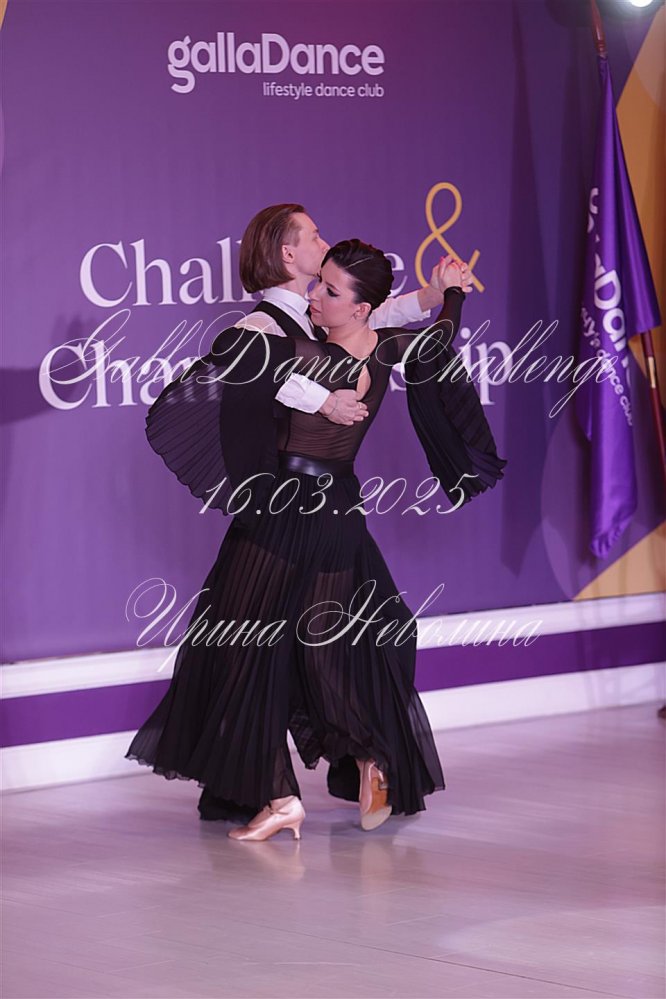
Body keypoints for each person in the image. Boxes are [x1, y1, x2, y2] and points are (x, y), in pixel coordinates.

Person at [125, 238, 506, 840]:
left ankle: (279, 796)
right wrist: (450, 295)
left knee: (240, 649)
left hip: (284, 512)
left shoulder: (309, 352)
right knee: (321, 651)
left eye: (329, 290)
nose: (314, 297)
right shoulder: (385, 347)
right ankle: (371, 756)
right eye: (316, 282)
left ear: (358, 307)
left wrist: (316, 390)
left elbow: (240, 355)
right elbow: (436, 336)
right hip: (339, 512)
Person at [235, 203, 453, 428]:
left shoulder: (315, 316)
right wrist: (326, 402)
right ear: (288, 253)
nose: (325, 246)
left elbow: (366, 318)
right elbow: (251, 365)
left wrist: (430, 295)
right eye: (314, 238)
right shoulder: (259, 324)